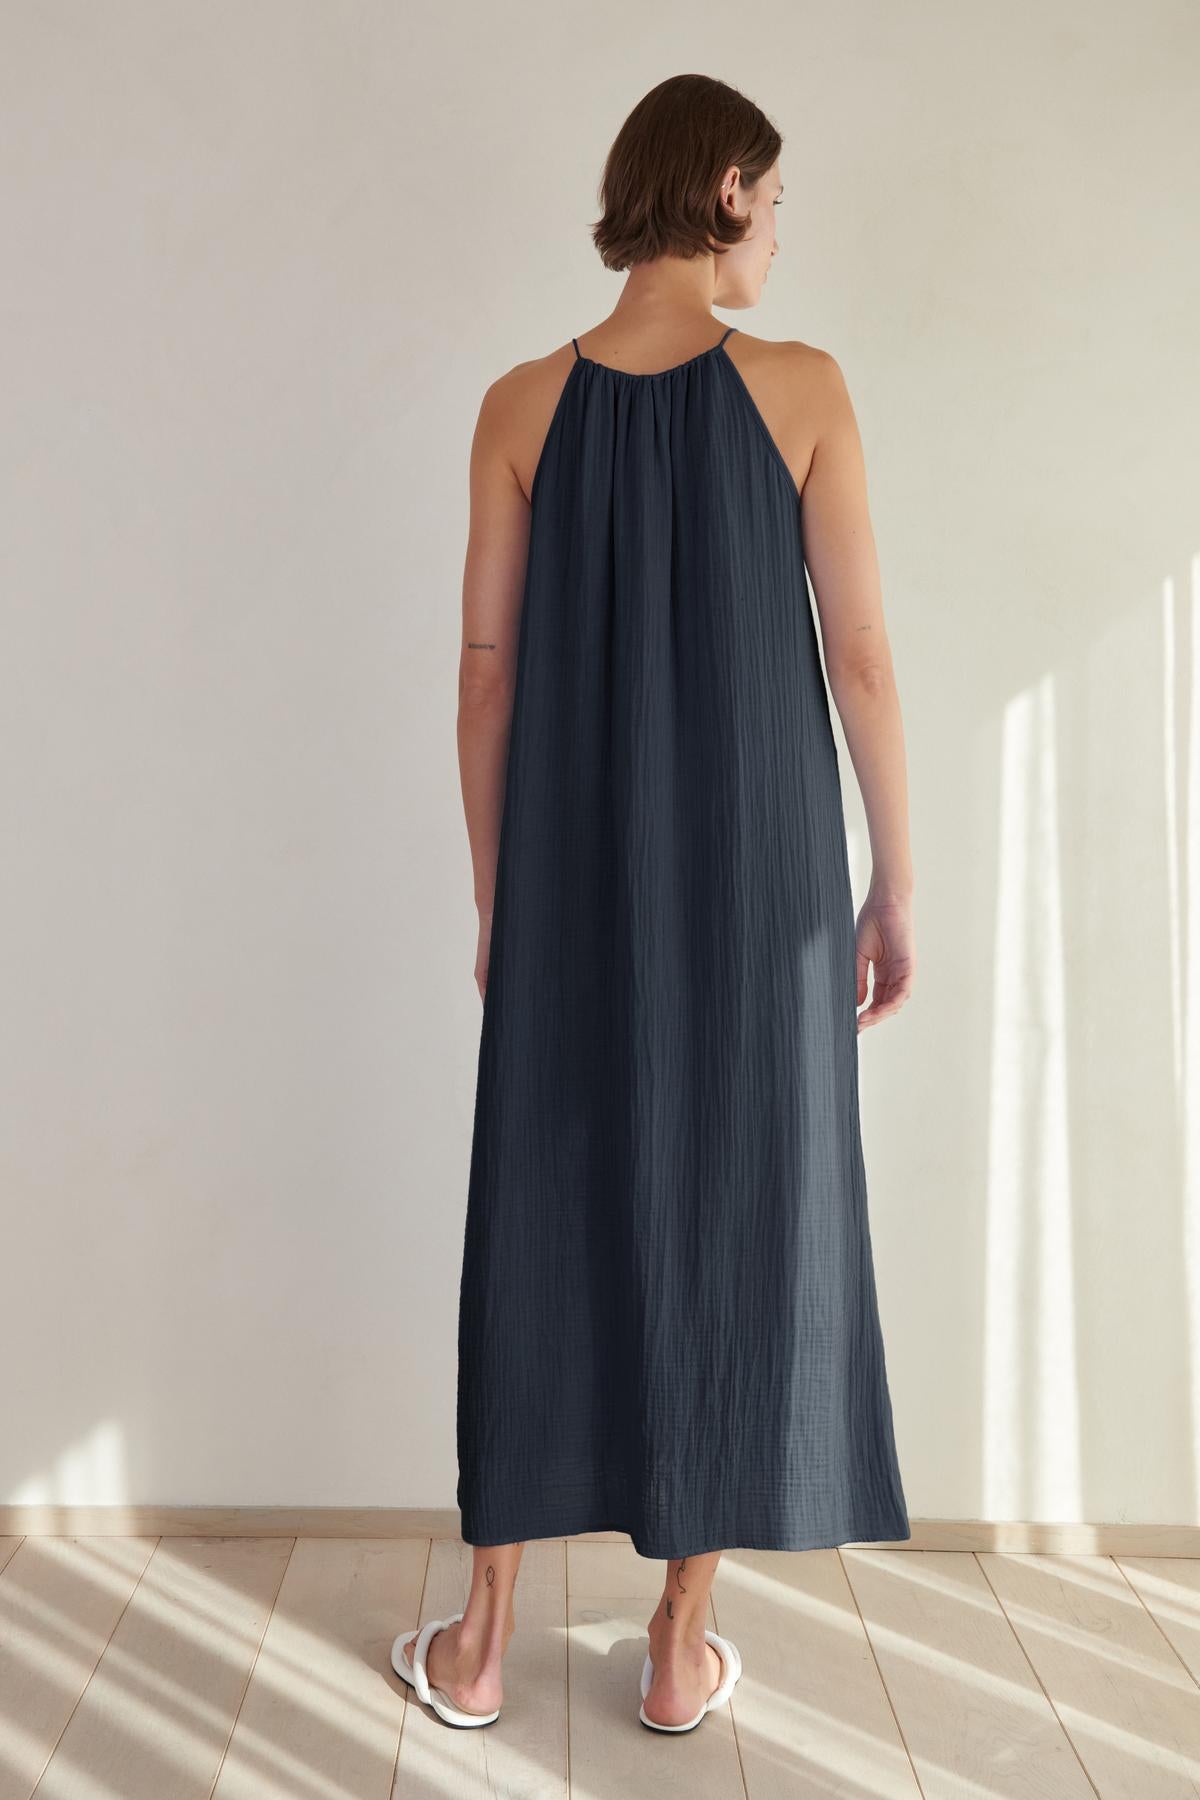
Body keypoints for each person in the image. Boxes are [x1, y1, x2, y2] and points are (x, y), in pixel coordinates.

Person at [394, 72, 915, 1734]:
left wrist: (500, 894)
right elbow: (866, 662)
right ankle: (680, 1646)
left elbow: (483, 677)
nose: (784, 232)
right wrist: (895, 876)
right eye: (783, 199)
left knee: (544, 1208)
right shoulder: (806, 391)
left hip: (570, 878)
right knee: (742, 1219)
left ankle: (480, 1643)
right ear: (735, 187)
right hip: (770, 884)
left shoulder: (517, 407)